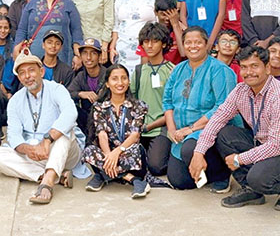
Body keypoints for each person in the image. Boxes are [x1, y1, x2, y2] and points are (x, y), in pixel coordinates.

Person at [190, 46, 280, 212]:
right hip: (264, 144)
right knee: (224, 134)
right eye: (244, 67)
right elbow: (217, 119)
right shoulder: (241, 90)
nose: (248, 72)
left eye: (254, 66)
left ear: (268, 68)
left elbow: (277, 146)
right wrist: (198, 153)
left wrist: (239, 159)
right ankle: (251, 190)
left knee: (258, 178)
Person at [0, 51, 84, 205]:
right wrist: (29, 150)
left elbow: (70, 114)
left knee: (65, 133)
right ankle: (54, 176)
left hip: (63, 152)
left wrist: (47, 140)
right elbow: (13, 135)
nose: (27, 76)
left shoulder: (57, 89)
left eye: (31, 70)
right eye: (22, 73)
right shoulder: (15, 100)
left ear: (42, 71)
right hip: (35, 154)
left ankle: (47, 184)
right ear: (19, 78)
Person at [163, 26, 241, 191]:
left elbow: (222, 107)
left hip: (210, 130)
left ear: (207, 44)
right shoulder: (178, 69)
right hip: (181, 133)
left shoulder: (220, 70)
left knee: (189, 149)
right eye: (188, 42)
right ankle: (203, 170)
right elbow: (167, 101)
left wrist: (191, 129)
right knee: (178, 181)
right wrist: (172, 129)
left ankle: (222, 173)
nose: (193, 46)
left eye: (198, 42)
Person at [83, 64, 151, 197]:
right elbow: (102, 134)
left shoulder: (138, 106)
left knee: (137, 150)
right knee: (89, 150)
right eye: (115, 79)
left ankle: (103, 175)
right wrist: (109, 156)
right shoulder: (99, 107)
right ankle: (133, 179)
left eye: (123, 78)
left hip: (128, 151)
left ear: (129, 81)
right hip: (109, 152)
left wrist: (117, 152)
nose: (120, 83)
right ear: (107, 84)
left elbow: (135, 135)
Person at [14, 0, 83, 68]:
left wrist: (78, 54)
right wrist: (17, 48)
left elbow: (76, 30)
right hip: (35, 54)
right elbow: (22, 29)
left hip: (62, 55)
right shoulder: (32, 3)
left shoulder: (68, 3)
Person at [131, 23, 174, 176]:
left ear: (164, 44)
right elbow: (132, 101)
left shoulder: (172, 70)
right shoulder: (138, 71)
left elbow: (175, 108)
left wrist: (149, 126)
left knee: (156, 167)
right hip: (139, 128)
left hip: (162, 128)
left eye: (155, 41)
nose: (149, 45)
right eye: (146, 41)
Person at [109, 0, 160, 72]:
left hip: (146, 52)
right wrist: (112, 47)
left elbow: (160, 26)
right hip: (123, 52)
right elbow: (116, 25)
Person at [72, 0, 114, 64]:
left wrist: (104, 48)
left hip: (98, 47)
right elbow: (74, 24)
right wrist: (76, 46)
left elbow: (109, 22)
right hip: (82, 47)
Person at [68, 38, 107, 136]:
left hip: (106, 118)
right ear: (80, 56)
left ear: (99, 56)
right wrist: (81, 94)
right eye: (85, 53)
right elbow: (68, 93)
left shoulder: (108, 74)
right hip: (87, 120)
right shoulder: (81, 76)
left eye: (93, 53)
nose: (88, 57)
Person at [136, 0, 185, 65]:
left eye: (170, 14)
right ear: (155, 12)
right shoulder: (149, 32)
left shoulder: (182, 31)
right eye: (163, 14)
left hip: (177, 69)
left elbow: (183, 53)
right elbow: (144, 64)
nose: (167, 18)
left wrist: (175, 25)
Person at [0, 15, 17, 97]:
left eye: (6, 28)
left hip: (12, 90)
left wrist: (11, 93)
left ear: (9, 30)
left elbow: (18, 72)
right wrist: (0, 86)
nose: (2, 31)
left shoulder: (15, 48)